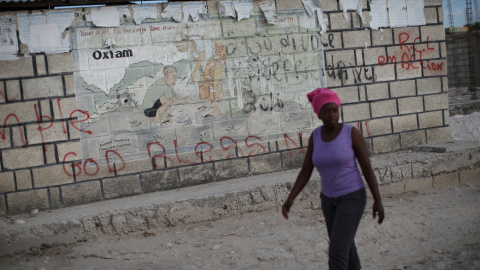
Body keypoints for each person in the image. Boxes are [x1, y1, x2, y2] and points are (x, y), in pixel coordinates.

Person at [282, 88, 385, 270]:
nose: (331, 115)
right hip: (328, 201)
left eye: (335, 110)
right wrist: (291, 198)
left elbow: (366, 168)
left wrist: (377, 199)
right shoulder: (315, 137)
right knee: (346, 247)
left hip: (352, 197)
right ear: (318, 113)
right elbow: (306, 170)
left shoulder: (351, 133)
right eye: (326, 111)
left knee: (337, 254)